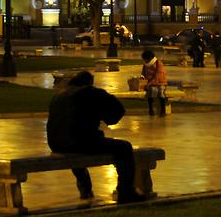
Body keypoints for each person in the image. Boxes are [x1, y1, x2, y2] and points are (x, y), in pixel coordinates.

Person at [46, 71, 145, 203]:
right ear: (89, 83)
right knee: (124, 148)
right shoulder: (90, 92)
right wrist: (105, 117)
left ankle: (85, 189)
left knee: (74, 147)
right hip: (80, 142)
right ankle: (125, 191)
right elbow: (117, 110)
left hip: (56, 143)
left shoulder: (58, 95)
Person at [141, 49, 168, 116]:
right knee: (149, 91)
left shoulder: (158, 63)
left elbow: (158, 76)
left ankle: (163, 110)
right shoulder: (145, 65)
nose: (145, 61)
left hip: (160, 82)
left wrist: (149, 84)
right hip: (150, 83)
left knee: (160, 92)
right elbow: (143, 73)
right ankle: (151, 109)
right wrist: (142, 79)